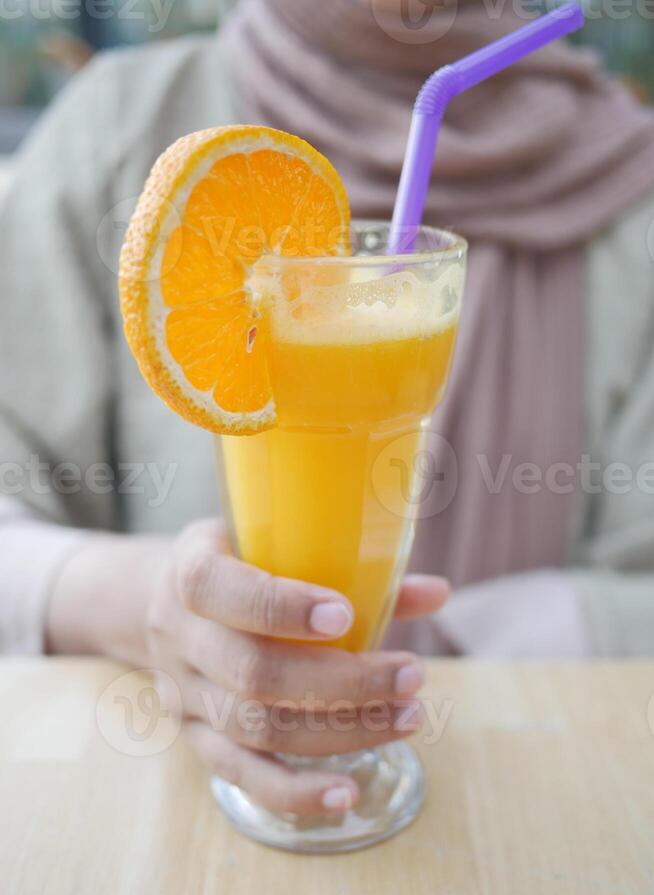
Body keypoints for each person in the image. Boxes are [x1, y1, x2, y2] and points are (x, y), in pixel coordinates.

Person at [2, 0, 654, 815]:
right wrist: (144, 604)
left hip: (526, 809)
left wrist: (471, 645)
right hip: (151, 809)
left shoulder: (633, 183)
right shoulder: (124, 125)